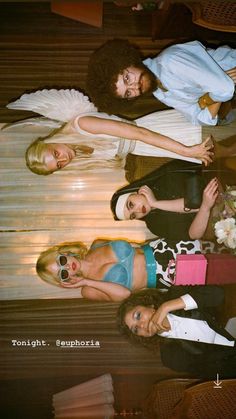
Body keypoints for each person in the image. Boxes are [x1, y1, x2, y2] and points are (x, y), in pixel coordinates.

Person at [6, 88, 222, 175]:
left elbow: (140, 134)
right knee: (223, 149)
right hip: (151, 148)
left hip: (156, 132)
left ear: (49, 140)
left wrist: (185, 151)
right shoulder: (79, 150)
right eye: (59, 165)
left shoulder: (82, 125)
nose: (63, 159)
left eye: (55, 154)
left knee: (220, 136)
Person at [36, 236, 235, 301]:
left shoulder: (96, 244)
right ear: (64, 280)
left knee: (227, 245)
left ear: (65, 252)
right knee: (228, 270)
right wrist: (87, 280)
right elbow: (124, 294)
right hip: (167, 275)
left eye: (62, 260)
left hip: (165, 247)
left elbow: (138, 247)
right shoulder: (88, 290)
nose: (67, 266)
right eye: (62, 272)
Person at [86, 39, 236, 126]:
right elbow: (200, 120)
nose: (135, 86)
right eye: (128, 92)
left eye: (127, 78)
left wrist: (206, 100)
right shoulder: (160, 92)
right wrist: (213, 94)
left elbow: (225, 88)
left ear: (128, 61)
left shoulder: (170, 62)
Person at [117, 287, 236, 378]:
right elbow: (218, 374)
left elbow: (218, 294)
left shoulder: (176, 294)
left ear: (149, 305)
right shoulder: (171, 359)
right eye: (135, 329)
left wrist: (167, 306)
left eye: (138, 315)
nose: (141, 325)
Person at [111, 158, 236, 241]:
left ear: (133, 191)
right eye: (133, 215)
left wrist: (156, 203)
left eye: (131, 204)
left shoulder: (167, 175)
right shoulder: (155, 226)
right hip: (220, 225)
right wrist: (205, 208)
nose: (138, 211)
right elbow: (193, 235)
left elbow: (197, 197)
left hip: (224, 188)